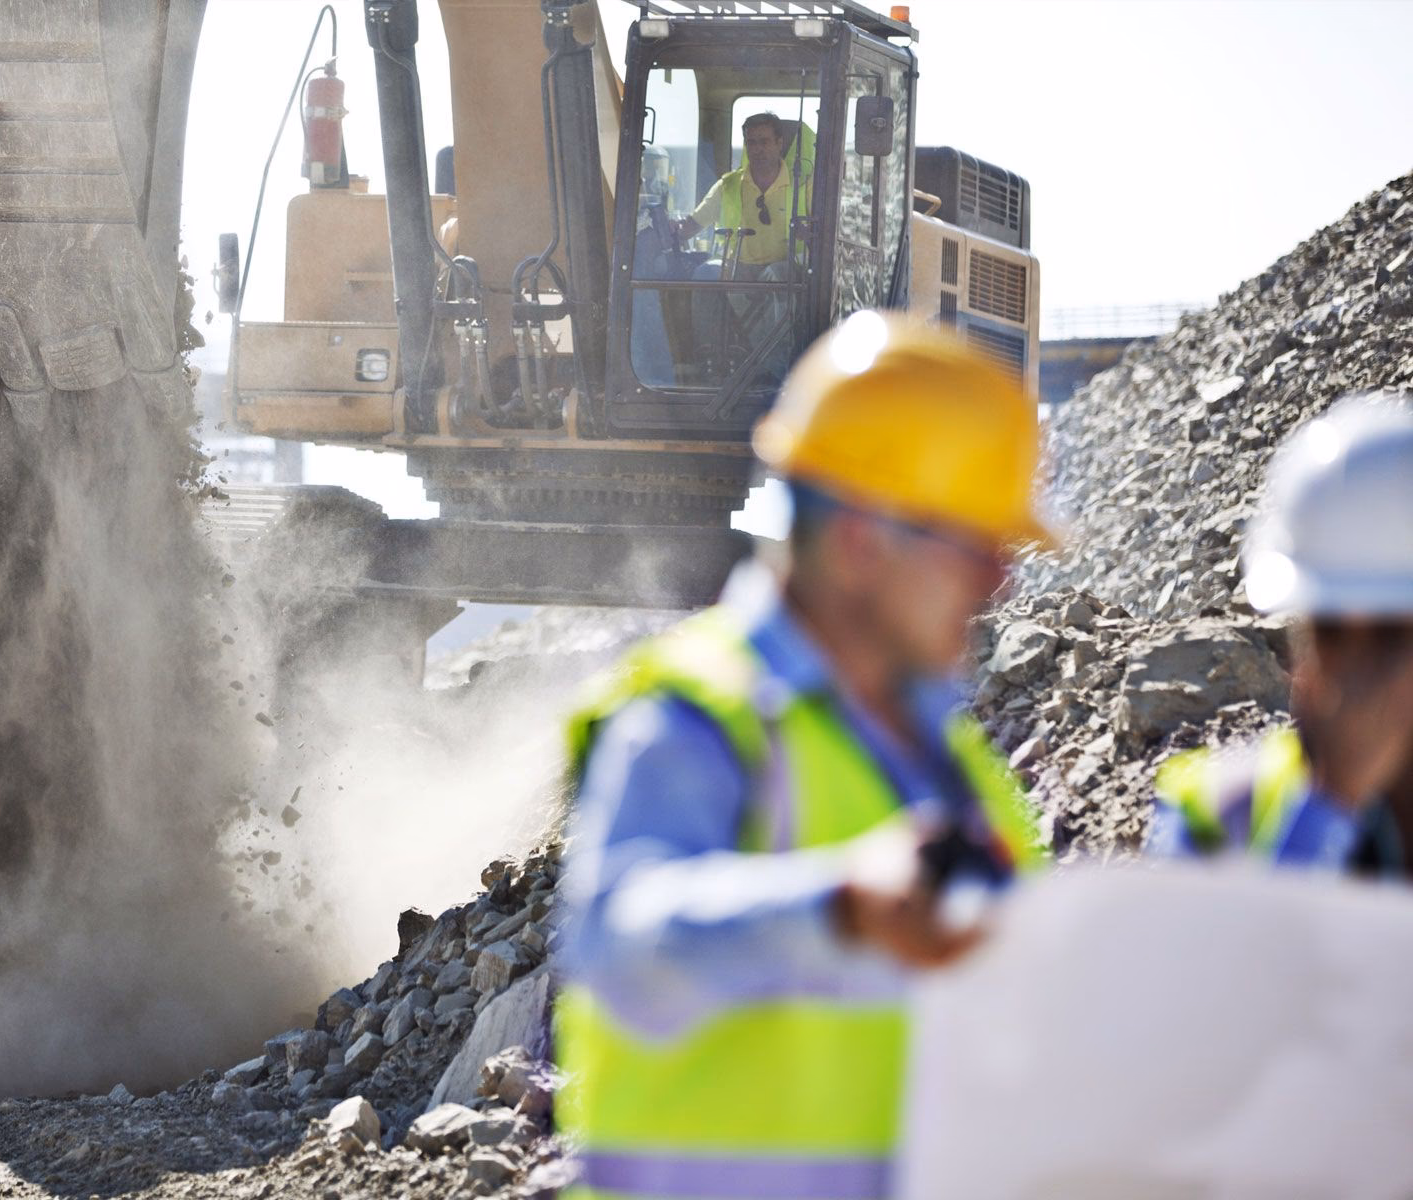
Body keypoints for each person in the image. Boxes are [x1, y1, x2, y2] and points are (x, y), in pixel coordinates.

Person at [555, 312, 1055, 1200]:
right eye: (975, 549)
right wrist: (841, 905)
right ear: (864, 543)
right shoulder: (705, 717)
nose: (1000, 581)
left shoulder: (948, 751)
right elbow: (619, 943)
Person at [1151, 395, 1413, 876]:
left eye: (1392, 637)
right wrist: (1330, 806)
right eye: (1332, 632)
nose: (1358, 670)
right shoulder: (1215, 808)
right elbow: (1212, 950)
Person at [675, 112, 814, 274]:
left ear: (779, 143)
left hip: (786, 277)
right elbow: (692, 225)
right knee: (704, 273)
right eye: (752, 143)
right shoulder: (728, 186)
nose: (758, 149)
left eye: (764, 142)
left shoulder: (804, 185)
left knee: (777, 273)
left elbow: (821, 238)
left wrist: (807, 233)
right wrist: (672, 229)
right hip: (736, 271)